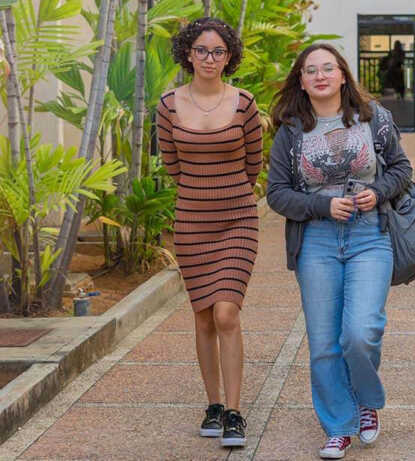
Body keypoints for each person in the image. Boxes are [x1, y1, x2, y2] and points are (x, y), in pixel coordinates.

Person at [267, 43, 411, 459]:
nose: (320, 76)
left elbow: (401, 169)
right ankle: (338, 425)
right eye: (311, 70)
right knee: (324, 343)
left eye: (328, 68)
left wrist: (377, 192)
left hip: (370, 236)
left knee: (361, 332)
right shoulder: (291, 130)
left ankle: (365, 399)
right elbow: (277, 194)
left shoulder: (373, 118)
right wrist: (321, 205)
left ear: (343, 75)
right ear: (301, 81)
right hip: (316, 240)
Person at [156, 17, 262, 448]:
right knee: (202, 315)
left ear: (228, 57)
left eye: (218, 51)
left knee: (226, 313)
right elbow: (172, 165)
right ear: (188, 53)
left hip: (238, 220)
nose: (209, 58)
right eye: (201, 50)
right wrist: (201, 193)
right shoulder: (168, 105)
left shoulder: (244, 103)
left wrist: (226, 192)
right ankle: (213, 404)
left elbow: (253, 164)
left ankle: (235, 412)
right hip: (192, 224)